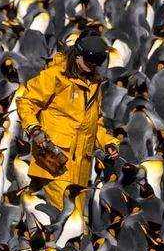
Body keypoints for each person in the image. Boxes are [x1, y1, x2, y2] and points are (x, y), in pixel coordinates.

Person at [14, 34, 120, 210]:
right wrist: (35, 130)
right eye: (90, 60)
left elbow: (95, 123)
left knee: (75, 221)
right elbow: (26, 102)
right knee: (69, 219)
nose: (93, 65)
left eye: (98, 61)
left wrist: (108, 143)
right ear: (77, 54)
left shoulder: (93, 83)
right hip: (56, 160)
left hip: (81, 166)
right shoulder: (55, 76)